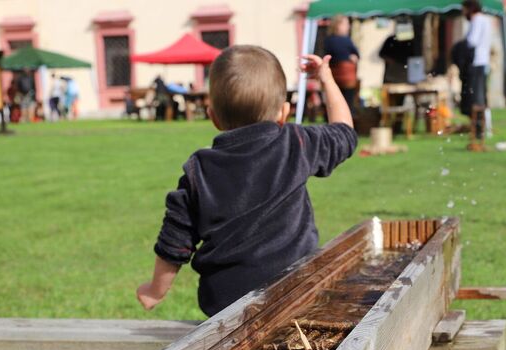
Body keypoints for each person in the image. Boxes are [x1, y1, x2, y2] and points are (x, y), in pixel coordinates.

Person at [136, 45, 358, 317]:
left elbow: (176, 239)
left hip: (226, 306)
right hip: (296, 295)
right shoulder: (296, 144)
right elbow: (345, 133)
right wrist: (326, 80)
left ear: (213, 116)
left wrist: (155, 290)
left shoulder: (200, 169)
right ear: (284, 112)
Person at [462, 0, 491, 140]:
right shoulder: (485, 20)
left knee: (476, 99)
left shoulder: (477, 20)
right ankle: (482, 128)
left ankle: (478, 130)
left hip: (476, 62)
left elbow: (472, 41)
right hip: (483, 62)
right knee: (481, 97)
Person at [324, 15, 360, 113]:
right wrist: (349, 57)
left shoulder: (328, 40)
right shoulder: (343, 40)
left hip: (334, 77)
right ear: (338, 25)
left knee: (334, 104)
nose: (348, 27)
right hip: (345, 77)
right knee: (347, 104)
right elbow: (355, 55)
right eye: (346, 24)